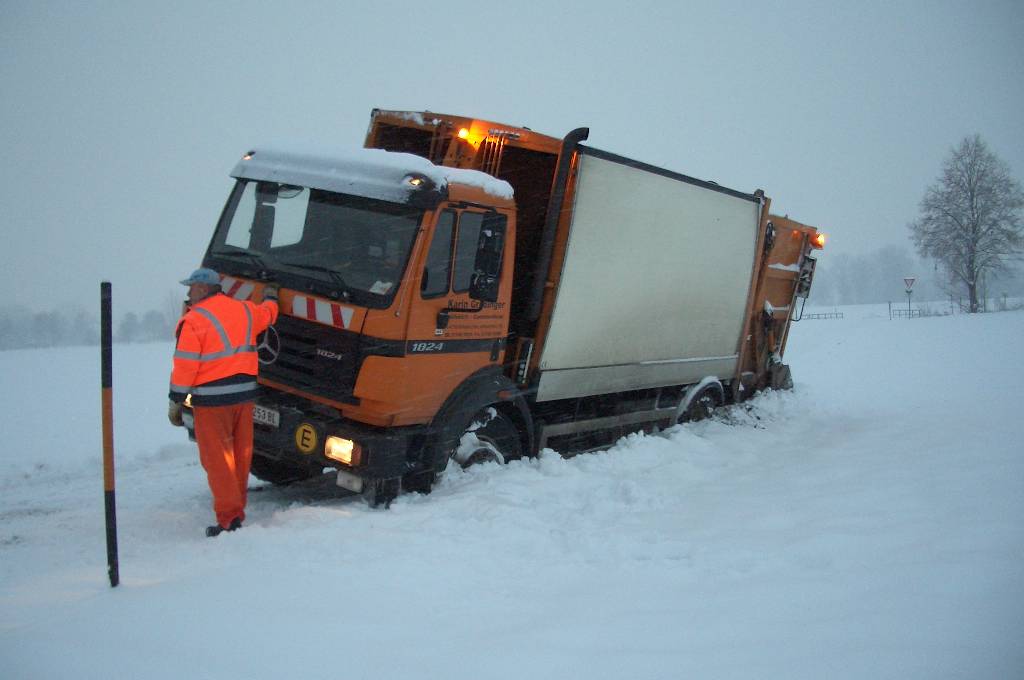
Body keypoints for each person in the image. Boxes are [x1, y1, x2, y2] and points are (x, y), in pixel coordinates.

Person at [167, 268, 279, 537]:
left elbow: (185, 366)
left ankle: (229, 519)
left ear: (204, 289)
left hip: (212, 400)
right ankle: (236, 510)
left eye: (191, 287)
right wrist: (272, 297)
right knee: (240, 456)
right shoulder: (244, 310)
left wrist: (176, 400)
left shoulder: (194, 321)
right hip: (244, 397)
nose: (188, 292)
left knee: (218, 460)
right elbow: (268, 315)